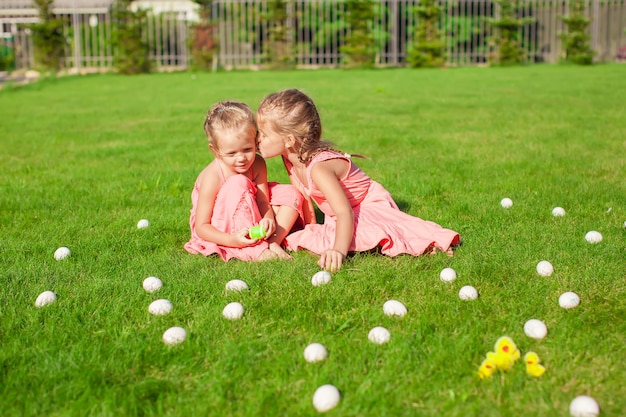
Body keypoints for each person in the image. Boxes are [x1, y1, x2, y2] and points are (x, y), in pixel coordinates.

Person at [256, 89, 460, 271]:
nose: (257, 139)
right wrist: (308, 230)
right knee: (311, 238)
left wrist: (338, 251)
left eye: (263, 134)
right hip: (339, 213)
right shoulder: (290, 158)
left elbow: (344, 212)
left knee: (358, 235)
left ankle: (423, 244)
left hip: (364, 207)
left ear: (290, 140)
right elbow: (303, 198)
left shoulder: (318, 168)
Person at [184, 100, 304, 262]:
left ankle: (273, 241)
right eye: (232, 153)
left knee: (291, 193)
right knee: (239, 182)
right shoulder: (213, 176)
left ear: (255, 141)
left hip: (249, 209)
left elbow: (262, 200)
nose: (241, 158)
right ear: (215, 150)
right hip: (220, 225)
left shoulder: (258, 164)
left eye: (247, 149)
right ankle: (254, 249)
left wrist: (268, 217)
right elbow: (202, 227)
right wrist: (231, 240)